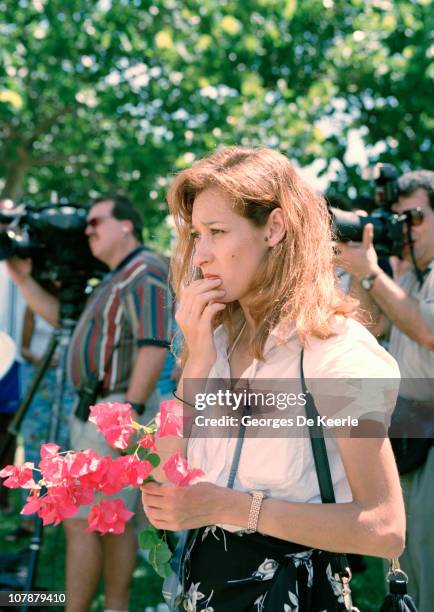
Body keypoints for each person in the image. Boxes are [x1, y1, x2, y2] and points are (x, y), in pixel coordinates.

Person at [141, 147, 405, 611]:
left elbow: (385, 528)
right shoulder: (214, 343)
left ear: (275, 228)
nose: (200, 255)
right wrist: (197, 361)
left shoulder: (338, 353)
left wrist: (228, 507)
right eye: (196, 235)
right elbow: (166, 477)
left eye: (217, 232)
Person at [7, 194, 173, 612]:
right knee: (111, 523)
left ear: (126, 226)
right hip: (101, 410)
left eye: (96, 221)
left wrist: (130, 411)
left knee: (81, 524)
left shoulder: (144, 270)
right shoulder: (115, 277)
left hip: (116, 407)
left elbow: (155, 343)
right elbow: (60, 320)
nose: (87, 230)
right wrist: (23, 278)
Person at [336, 170, 434, 611]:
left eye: (413, 217)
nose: (403, 228)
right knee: (405, 567)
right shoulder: (408, 276)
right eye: (397, 218)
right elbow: (364, 326)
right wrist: (362, 268)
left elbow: (428, 331)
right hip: (411, 433)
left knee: (429, 565)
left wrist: (373, 272)